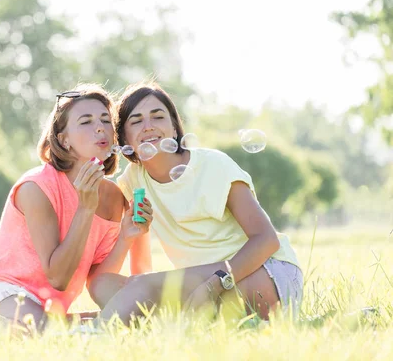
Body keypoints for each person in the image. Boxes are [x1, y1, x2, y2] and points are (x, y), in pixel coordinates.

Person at [0, 84, 153, 332]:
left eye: (105, 120)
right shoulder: (37, 188)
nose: (100, 127)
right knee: (54, 335)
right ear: (64, 140)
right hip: (0, 291)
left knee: (120, 322)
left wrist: (126, 239)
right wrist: (85, 209)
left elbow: (97, 280)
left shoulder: (113, 198)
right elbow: (58, 277)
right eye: (85, 121)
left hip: (47, 308)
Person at [94, 81, 303, 325]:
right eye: (137, 120)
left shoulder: (214, 166)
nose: (148, 126)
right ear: (125, 136)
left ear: (174, 128)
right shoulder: (133, 179)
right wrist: (129, 239)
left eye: (158, 116)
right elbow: (138, 266)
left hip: (265, 272)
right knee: (103, 285)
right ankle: (150, 324)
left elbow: (267, 240)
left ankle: (95, 333)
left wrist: (214, 284)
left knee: (144, 289)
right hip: (201, 283)